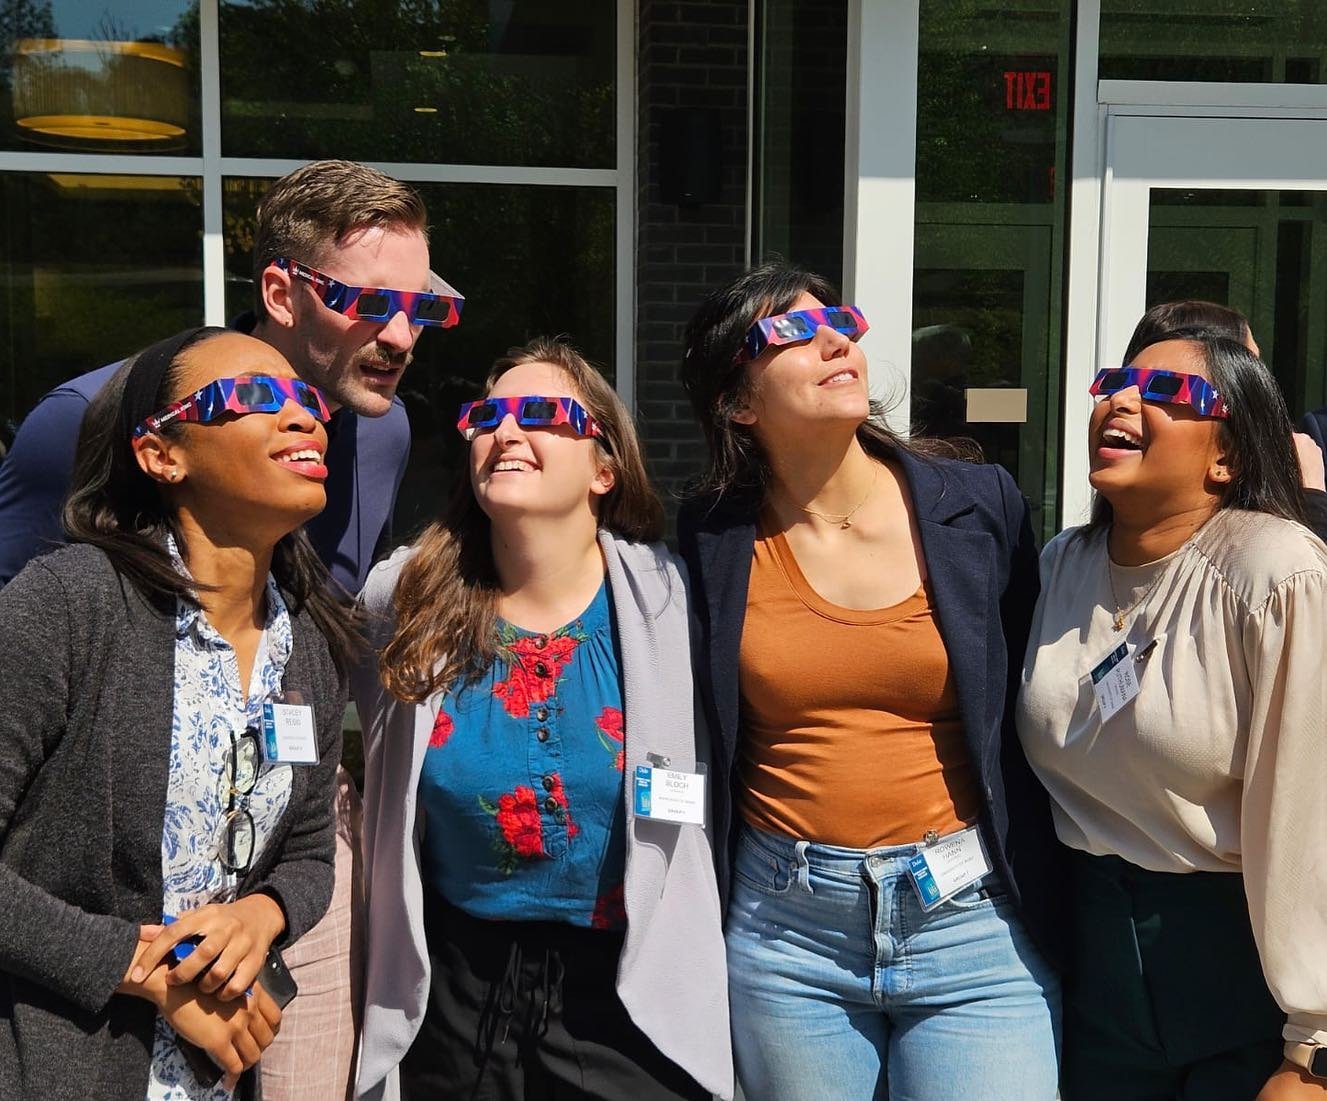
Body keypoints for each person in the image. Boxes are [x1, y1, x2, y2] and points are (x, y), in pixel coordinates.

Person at [0, 159, 458, 1101]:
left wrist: (266, 905)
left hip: (277, 785)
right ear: (281, 291)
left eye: (425, 307)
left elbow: (307, 634)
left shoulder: (378, 430)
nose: (403, 335)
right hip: (97, 812)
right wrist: (141, 961)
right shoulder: (80, 425)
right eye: (371, 300)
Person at [675, 261, 1061, 1101]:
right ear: (737, 402)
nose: (832, 340)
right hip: (786, 931)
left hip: (970, 920)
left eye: (837, 319)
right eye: (787, 331)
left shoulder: (979, 504)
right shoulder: (707, 538)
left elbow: (1034, 692)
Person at [351, 338, 732, 1101]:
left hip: (629, 993)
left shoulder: (672, 599)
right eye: (488, 415)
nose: (506, 431)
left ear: (603, 467)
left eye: (541, 414)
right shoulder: (405, 598)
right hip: (453, 991)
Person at [0, 326, 351, 1100]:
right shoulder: (67, 606)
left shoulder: (310, 648)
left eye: (307, 399)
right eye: (259, 396)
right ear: (162, 453)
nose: (305, 417)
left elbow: (309, 853)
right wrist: (142, 968)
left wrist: (263, 915)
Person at [1017, 331, 1327, 1100]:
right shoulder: (1062, 562)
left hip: (1238, 974)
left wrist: (1310, 1048)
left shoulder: (1275, 572)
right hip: (1089, 968)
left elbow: (1309, 811)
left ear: (1226, 457)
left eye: (1165, 392)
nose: (1120, 400)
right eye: (1116, 381)